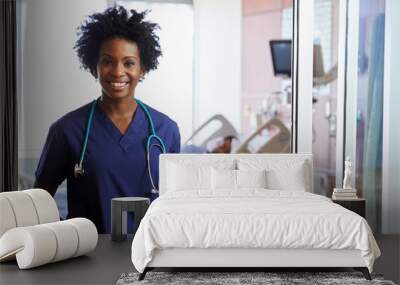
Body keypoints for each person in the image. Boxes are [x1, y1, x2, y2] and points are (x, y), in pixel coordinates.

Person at [34, 6, 180, 233]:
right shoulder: (67, 130)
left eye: (129, 62)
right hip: (86, 257)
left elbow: (176, 203)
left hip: (151, 255)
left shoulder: (166, 131)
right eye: (108, 61)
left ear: (143, 68)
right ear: (95, 66)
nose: (117, 71)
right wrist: (64, 237)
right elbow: (38, 202)